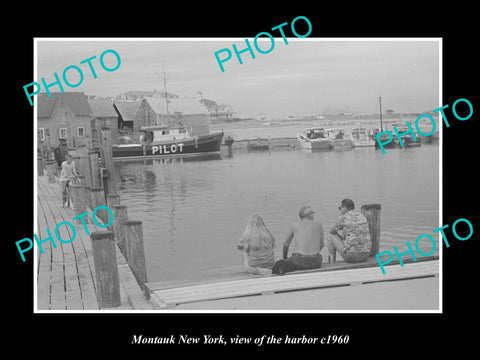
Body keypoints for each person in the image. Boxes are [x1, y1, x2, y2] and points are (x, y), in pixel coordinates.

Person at [272, 206, 324, 274]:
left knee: (278, 265)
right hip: (315, 261)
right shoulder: (319, 225)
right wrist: (311, 254)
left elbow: (286, 245)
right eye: (312, 213)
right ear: (310, 215)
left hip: (299, 260)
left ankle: (282, 269)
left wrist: (285, 259)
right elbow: (321, 245)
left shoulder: (294, 225)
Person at [328, 199, 371, 264]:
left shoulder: (343, 218)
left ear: (345, 208)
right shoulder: (362, 216)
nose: (340, 210)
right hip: (366, 255)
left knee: (330, 236)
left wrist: (337, 233)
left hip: (351, 257)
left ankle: (331, 263)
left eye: (340, 208)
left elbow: (331, 231)